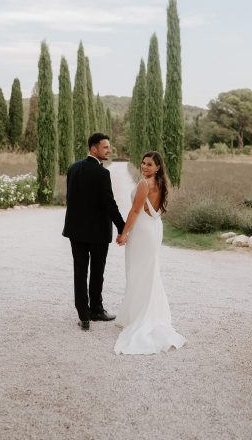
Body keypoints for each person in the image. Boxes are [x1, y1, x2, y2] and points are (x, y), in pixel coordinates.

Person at [114, 151, 186, 355]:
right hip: (155, 229)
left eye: (149, 164)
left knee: (138, 271)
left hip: (142, 231)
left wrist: (124, 233)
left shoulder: (143, 184)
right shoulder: (162, 184)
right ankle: (140, 312)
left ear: (158, 167)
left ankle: (139, 316)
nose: (144, 167)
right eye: (143, 163)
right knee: (149, 271)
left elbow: (135, 211)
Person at [62, 133, 125, 331]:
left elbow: (70, 200)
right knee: (97, 271)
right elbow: (110, 204)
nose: (109, 150)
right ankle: (96, 309)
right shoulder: (102, 173)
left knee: (79, 271)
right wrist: (123, 227)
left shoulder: (73, 168)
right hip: (97, 233)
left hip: (76, 231)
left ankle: (84, 315)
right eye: (105, 147)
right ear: (93, 148)